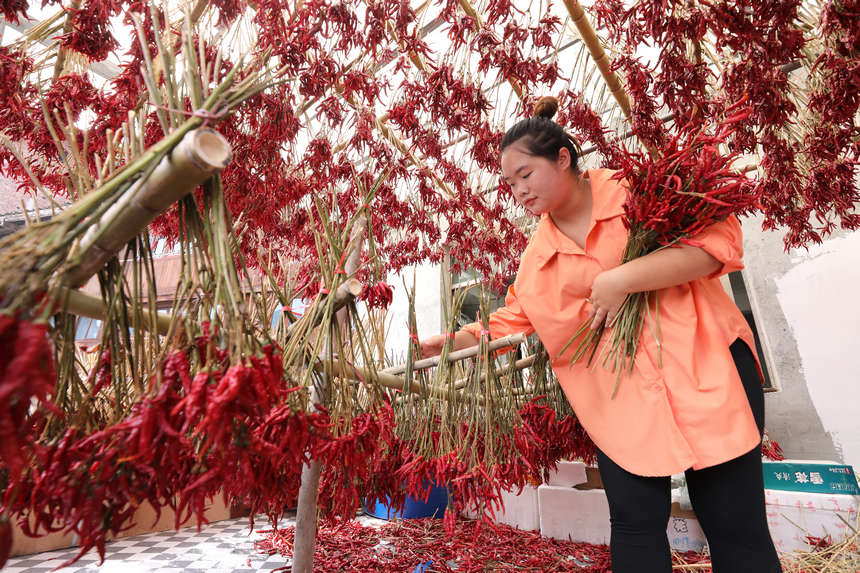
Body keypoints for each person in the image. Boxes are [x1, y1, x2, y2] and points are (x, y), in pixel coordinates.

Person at [419, 97, 782, 573]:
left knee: (734, 522)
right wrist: (456, 342)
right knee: (634, 523)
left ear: (562, 159)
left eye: (525, 175)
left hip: (708, 366)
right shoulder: (538, 259)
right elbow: (510, 321)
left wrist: (621, 279)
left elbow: (718, 244)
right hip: (623, 399)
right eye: (509, 184)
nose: (518, 191)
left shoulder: (639, 192)